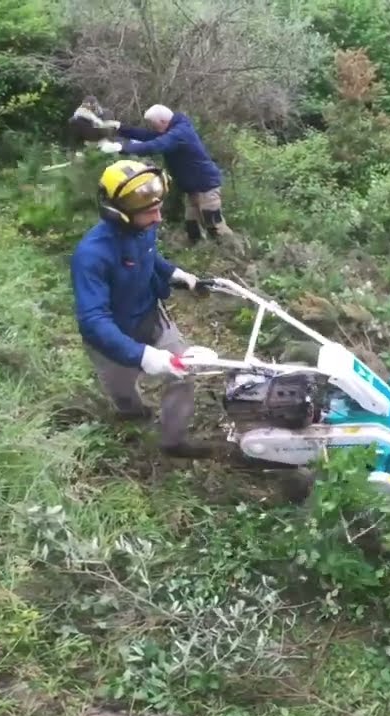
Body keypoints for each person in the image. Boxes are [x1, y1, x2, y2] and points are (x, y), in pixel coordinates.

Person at [69, 157, 212, 459]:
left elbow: (149, 257)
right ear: (118, 214)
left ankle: (173, 441)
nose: (159, 218)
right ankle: (132, 415)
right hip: (113, 338)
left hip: (151, 316)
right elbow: (93, 321)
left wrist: (176, 274)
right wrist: (143, 356)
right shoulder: (91, 255)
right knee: (123, 393)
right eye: (150, 212)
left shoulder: (142, 228)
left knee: (183, 372)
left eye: (158, 208)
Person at [87, 103, 234, 244]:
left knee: (214, 225)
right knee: (192, 228)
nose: (152, 127)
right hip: (192, 188)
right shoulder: (171, 129)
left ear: (163, 121)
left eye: (153, 124)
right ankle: (201, 254)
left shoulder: (180, 133)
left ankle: (233, 252)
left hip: (206, 186)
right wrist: (120, 128)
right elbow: (147, 136)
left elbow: (156, 145)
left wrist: (121, 147)